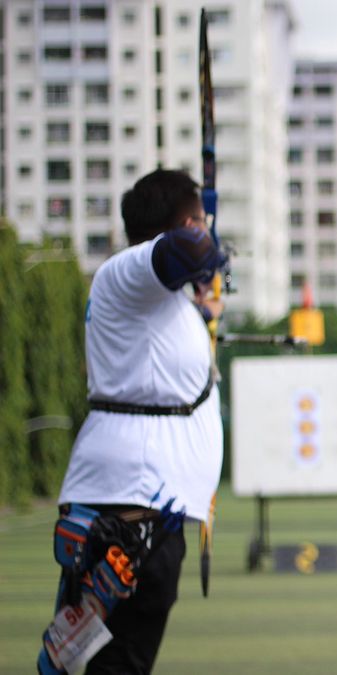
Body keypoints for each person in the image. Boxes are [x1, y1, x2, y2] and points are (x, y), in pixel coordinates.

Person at [38, 169, 226, 675]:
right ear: (188, 219)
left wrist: (204, 307)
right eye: (199, 219)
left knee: (117, 661)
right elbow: (187, 250)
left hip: (151, 505)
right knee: (111, 663)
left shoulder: (160, 299)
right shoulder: (126, 271)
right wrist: (210, 251)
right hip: (131, 504)